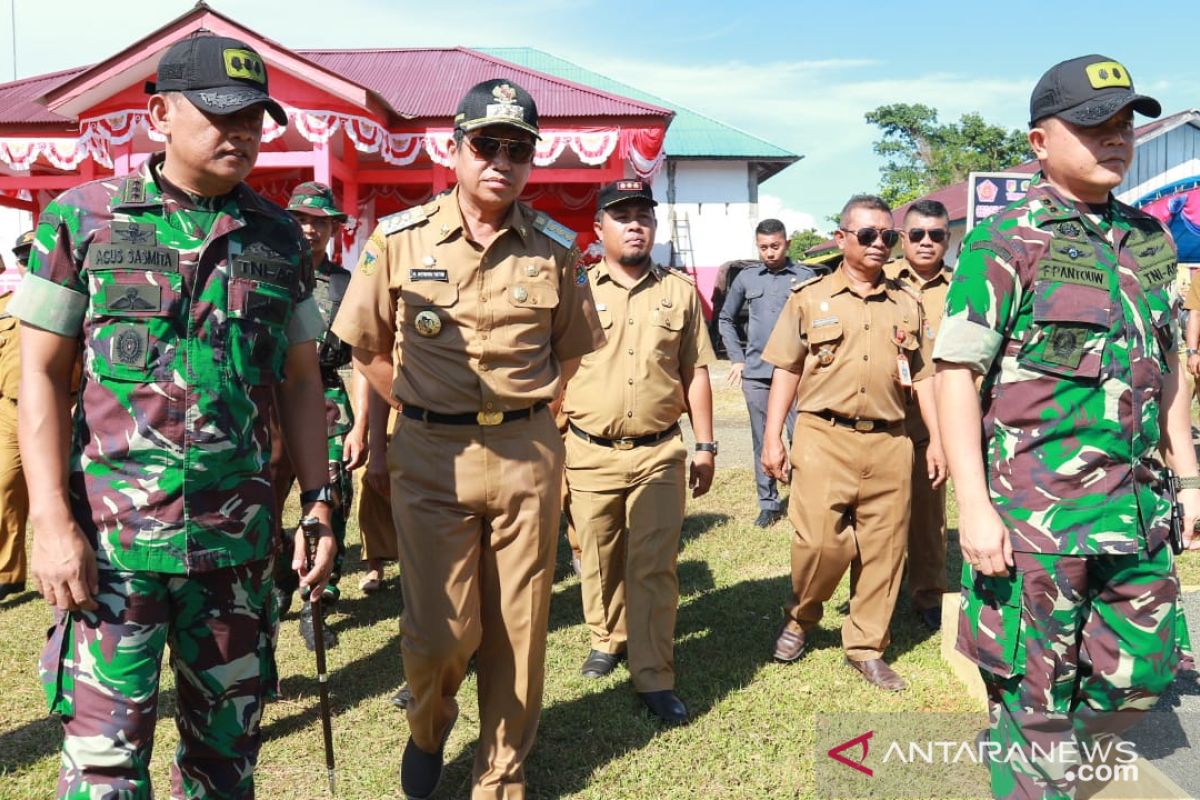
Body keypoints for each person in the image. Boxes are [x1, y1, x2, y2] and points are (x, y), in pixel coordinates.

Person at [14, 35, 336, 798]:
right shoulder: (83, 220)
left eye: (256, 117)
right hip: (112, 553)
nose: (242, 133)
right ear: (158, 115)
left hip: (236, 553)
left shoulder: (279, 235)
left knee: (226, 769)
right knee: (103, 773)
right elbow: (40, 376)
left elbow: (298, 381)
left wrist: (321, 499)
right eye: (220, 115)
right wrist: (53, 524)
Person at [331, 78, 605, 800]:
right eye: (487, 144)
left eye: (518, 149)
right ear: (454, 149)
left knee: (520, 627)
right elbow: (366, 347)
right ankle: (428, 727)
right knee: (442, 631)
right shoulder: (398, 239)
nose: (502, 160)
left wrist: (532, 410)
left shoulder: (555, 248)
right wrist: (420, 405)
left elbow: (571, 349)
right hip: (430, 457)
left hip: (526, 454)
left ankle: (501, 775)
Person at [935, 54, 1197, 797]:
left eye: (1124, 125)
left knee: (1144, 677)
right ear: (1040, 142)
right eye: (1092, 125)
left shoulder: (1148, 238)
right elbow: (956, 374)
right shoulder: (1006, 241)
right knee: (1036, 702)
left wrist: (1190, 475)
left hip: (1138, 513)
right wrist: (973, 507)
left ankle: (1046, 772)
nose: (1115, 139)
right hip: (1035, 526)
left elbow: (1168, 361)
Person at [760, 194, 943, 692]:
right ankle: (801, 616)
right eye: (868, 235)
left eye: (889, 236)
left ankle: (866, 646)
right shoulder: (810, 298)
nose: (880, 244)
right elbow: (786, 369)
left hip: (891, 440)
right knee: (819, 542)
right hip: (824, 436)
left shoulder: (908, 304)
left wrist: (937, 441)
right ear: (842, 239)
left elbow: (924, 377)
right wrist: (773, 436)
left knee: (884, 551)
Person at [562, 179, 716, 725]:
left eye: (643, 216)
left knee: (653, 564)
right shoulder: (575, 287)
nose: (634, 224)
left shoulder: (678, 292)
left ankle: (653, 673)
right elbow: (556, 372)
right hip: (587, 450)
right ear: (598, 227)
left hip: (658, 452)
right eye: (621, 215)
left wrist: (706, 445)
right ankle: (608, 637)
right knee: (598, 555)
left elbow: (695, 371)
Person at [270, 180, 367, 650]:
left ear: (333, 229)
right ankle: (272, 587)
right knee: (263, 502)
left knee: (331, 499)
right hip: (268, 397)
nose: (309, 230)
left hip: (326, 396)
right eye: (300, 220)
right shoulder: (265, 274)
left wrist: (363, 426)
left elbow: (364, 358)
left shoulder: (345, 285)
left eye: (319, 222)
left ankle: (318, 597)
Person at [718, 219, 821, 527]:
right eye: (763, 247)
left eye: (775, 246)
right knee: (763, 438)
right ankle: (769, 503)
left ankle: (806, 499)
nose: (770, 253)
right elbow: (725, 318)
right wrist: (737, 358)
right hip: (758, 374)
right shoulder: (746, 279)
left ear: (786, 244)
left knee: (802, 437)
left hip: (796, 373)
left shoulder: (806, 276)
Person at [885, 199, 952, 631]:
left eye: (937, 235)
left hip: (939, 419)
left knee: (929, 516)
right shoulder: (882, 279)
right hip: (886, 413)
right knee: (880, 514)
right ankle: (876, 594)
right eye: (918, 234)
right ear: (902, 237)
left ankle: (928, 593)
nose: (927, 242)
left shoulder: (964, 284)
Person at [0, 232, 31, 601]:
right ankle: (7, 574)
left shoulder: (78, 303)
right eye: (24, 258)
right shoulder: (6, 307)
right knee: (4, 486)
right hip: (10, 410)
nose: (28, 263)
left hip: (66, 407)